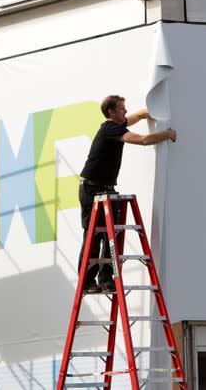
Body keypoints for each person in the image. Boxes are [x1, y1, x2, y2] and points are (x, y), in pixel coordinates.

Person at [78, 94, 177, 292]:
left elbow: (138, 115)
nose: (125, 111)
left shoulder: (117, 123)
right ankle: (86, 281)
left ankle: (106, 279)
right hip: (92, 189)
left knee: (111, 234)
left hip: (106, 189)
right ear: (111, 112)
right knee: (94, 235)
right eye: (122, 108)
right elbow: (144, 140)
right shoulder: (110, 129)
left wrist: (156, 114)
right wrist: (167, 134)